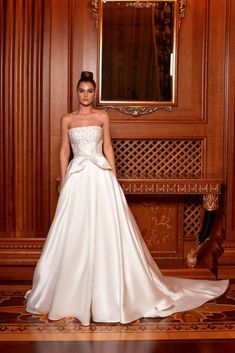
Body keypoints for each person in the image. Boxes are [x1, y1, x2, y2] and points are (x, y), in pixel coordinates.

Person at [25, 71, 229, 326]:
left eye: (90, 91)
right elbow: (64, 151)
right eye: (81, 91)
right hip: (77, 177)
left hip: (100, 176)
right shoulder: (67, 119)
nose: (85, 95)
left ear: (95, 93)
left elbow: (108, 146)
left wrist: (113, 177)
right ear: (76, 93)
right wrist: (64, 181)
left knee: (106, 230)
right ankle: (71, 293)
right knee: (74, 231)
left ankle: (108, 294)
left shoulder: (102, 116)